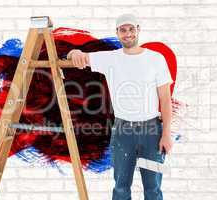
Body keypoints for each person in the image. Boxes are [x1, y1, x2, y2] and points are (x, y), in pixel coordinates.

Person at [67, 13, 174, 200]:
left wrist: (166, 134)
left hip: (152, 131)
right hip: (123, 131)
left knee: (153, 188)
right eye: (123, 30)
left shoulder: (156, 59)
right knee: (121, 187)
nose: (128, 34)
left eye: (131, 29)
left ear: (138, 30)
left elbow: (165, 99)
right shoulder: (110, 58)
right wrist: (73, 53)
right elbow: (77, 56)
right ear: (117, 33)